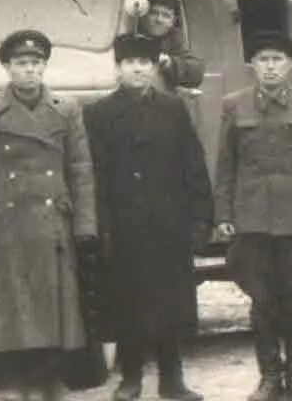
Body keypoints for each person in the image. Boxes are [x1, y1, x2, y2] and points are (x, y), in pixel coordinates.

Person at [0, 29, 98, 401]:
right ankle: (20, 382)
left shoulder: (66, 109)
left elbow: (81, 170)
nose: (29, 71)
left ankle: (51, 379)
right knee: (16, 303)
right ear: (7, 67)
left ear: (44, 67)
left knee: (55, 305)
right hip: (9, 223)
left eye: (35, 63)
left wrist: (85, 225)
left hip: (55, 222)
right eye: (21, 64)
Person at [84, 33, 213, 401]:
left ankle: (173, 380)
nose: (138, 69)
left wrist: (199, 219)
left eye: (144, 62)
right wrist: (101, 226)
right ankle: (131, 379)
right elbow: (94, 174)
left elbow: (194, 166)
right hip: (124, 227)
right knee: (128, 303)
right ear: (118, 68)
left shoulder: (173, 109)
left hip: (168, 225)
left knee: (171, 304)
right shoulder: (98, 114)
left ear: (155, 66)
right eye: (129, 63)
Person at [213, 31, 292, 401]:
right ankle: (268, 376)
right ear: (252, 64)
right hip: (252, 219)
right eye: (263, 59)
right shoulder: (234, 105)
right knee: (262, 301)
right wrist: (223, 213)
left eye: (277, 59)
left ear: (291, 63)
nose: (270, 67)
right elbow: (226, 165)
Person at [135, 0, 203, 91]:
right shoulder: (130, 31)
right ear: (143, 14)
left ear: (172, 21)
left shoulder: (173, 38)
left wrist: (169, 62)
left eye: (166, 15)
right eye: (153, 13)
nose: (159, 19)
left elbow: (196, 72)